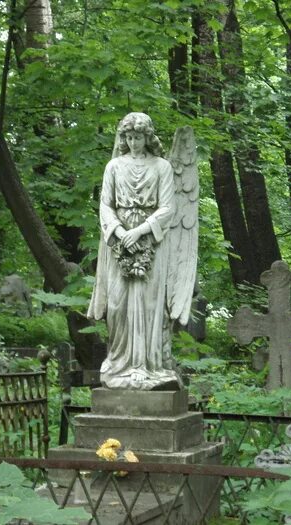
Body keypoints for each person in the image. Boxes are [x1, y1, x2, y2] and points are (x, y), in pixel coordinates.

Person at [87, 113, 182, 390]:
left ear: (147, 137)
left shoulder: (162, 167)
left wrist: (139, 232)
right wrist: (119, 232)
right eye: (128, 137)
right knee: (117, 305)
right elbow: (105, 205)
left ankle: (145, 365)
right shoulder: (114, 166)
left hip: (152, 241)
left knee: (149, 304)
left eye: (138, 137)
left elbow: (168, 207)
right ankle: (120, 363)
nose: (133, 142)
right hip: (118, 242)